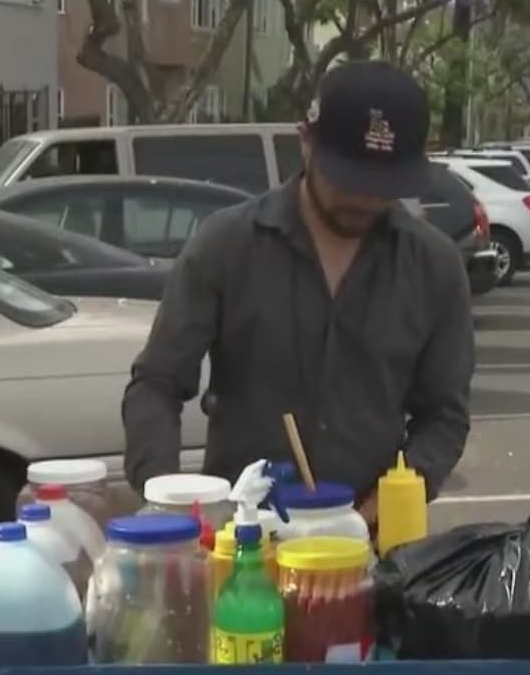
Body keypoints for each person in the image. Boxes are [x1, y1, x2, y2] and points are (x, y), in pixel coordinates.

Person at [121, 60, 474, 524]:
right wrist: (167, 503)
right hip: (241, 541)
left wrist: (371, 514)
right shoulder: (227, 245)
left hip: (371, 540)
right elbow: (156, 385)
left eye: (382, 187)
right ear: (306, 142)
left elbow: (444, 417)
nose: (365, 199)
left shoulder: (434, 266)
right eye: (349, 179)